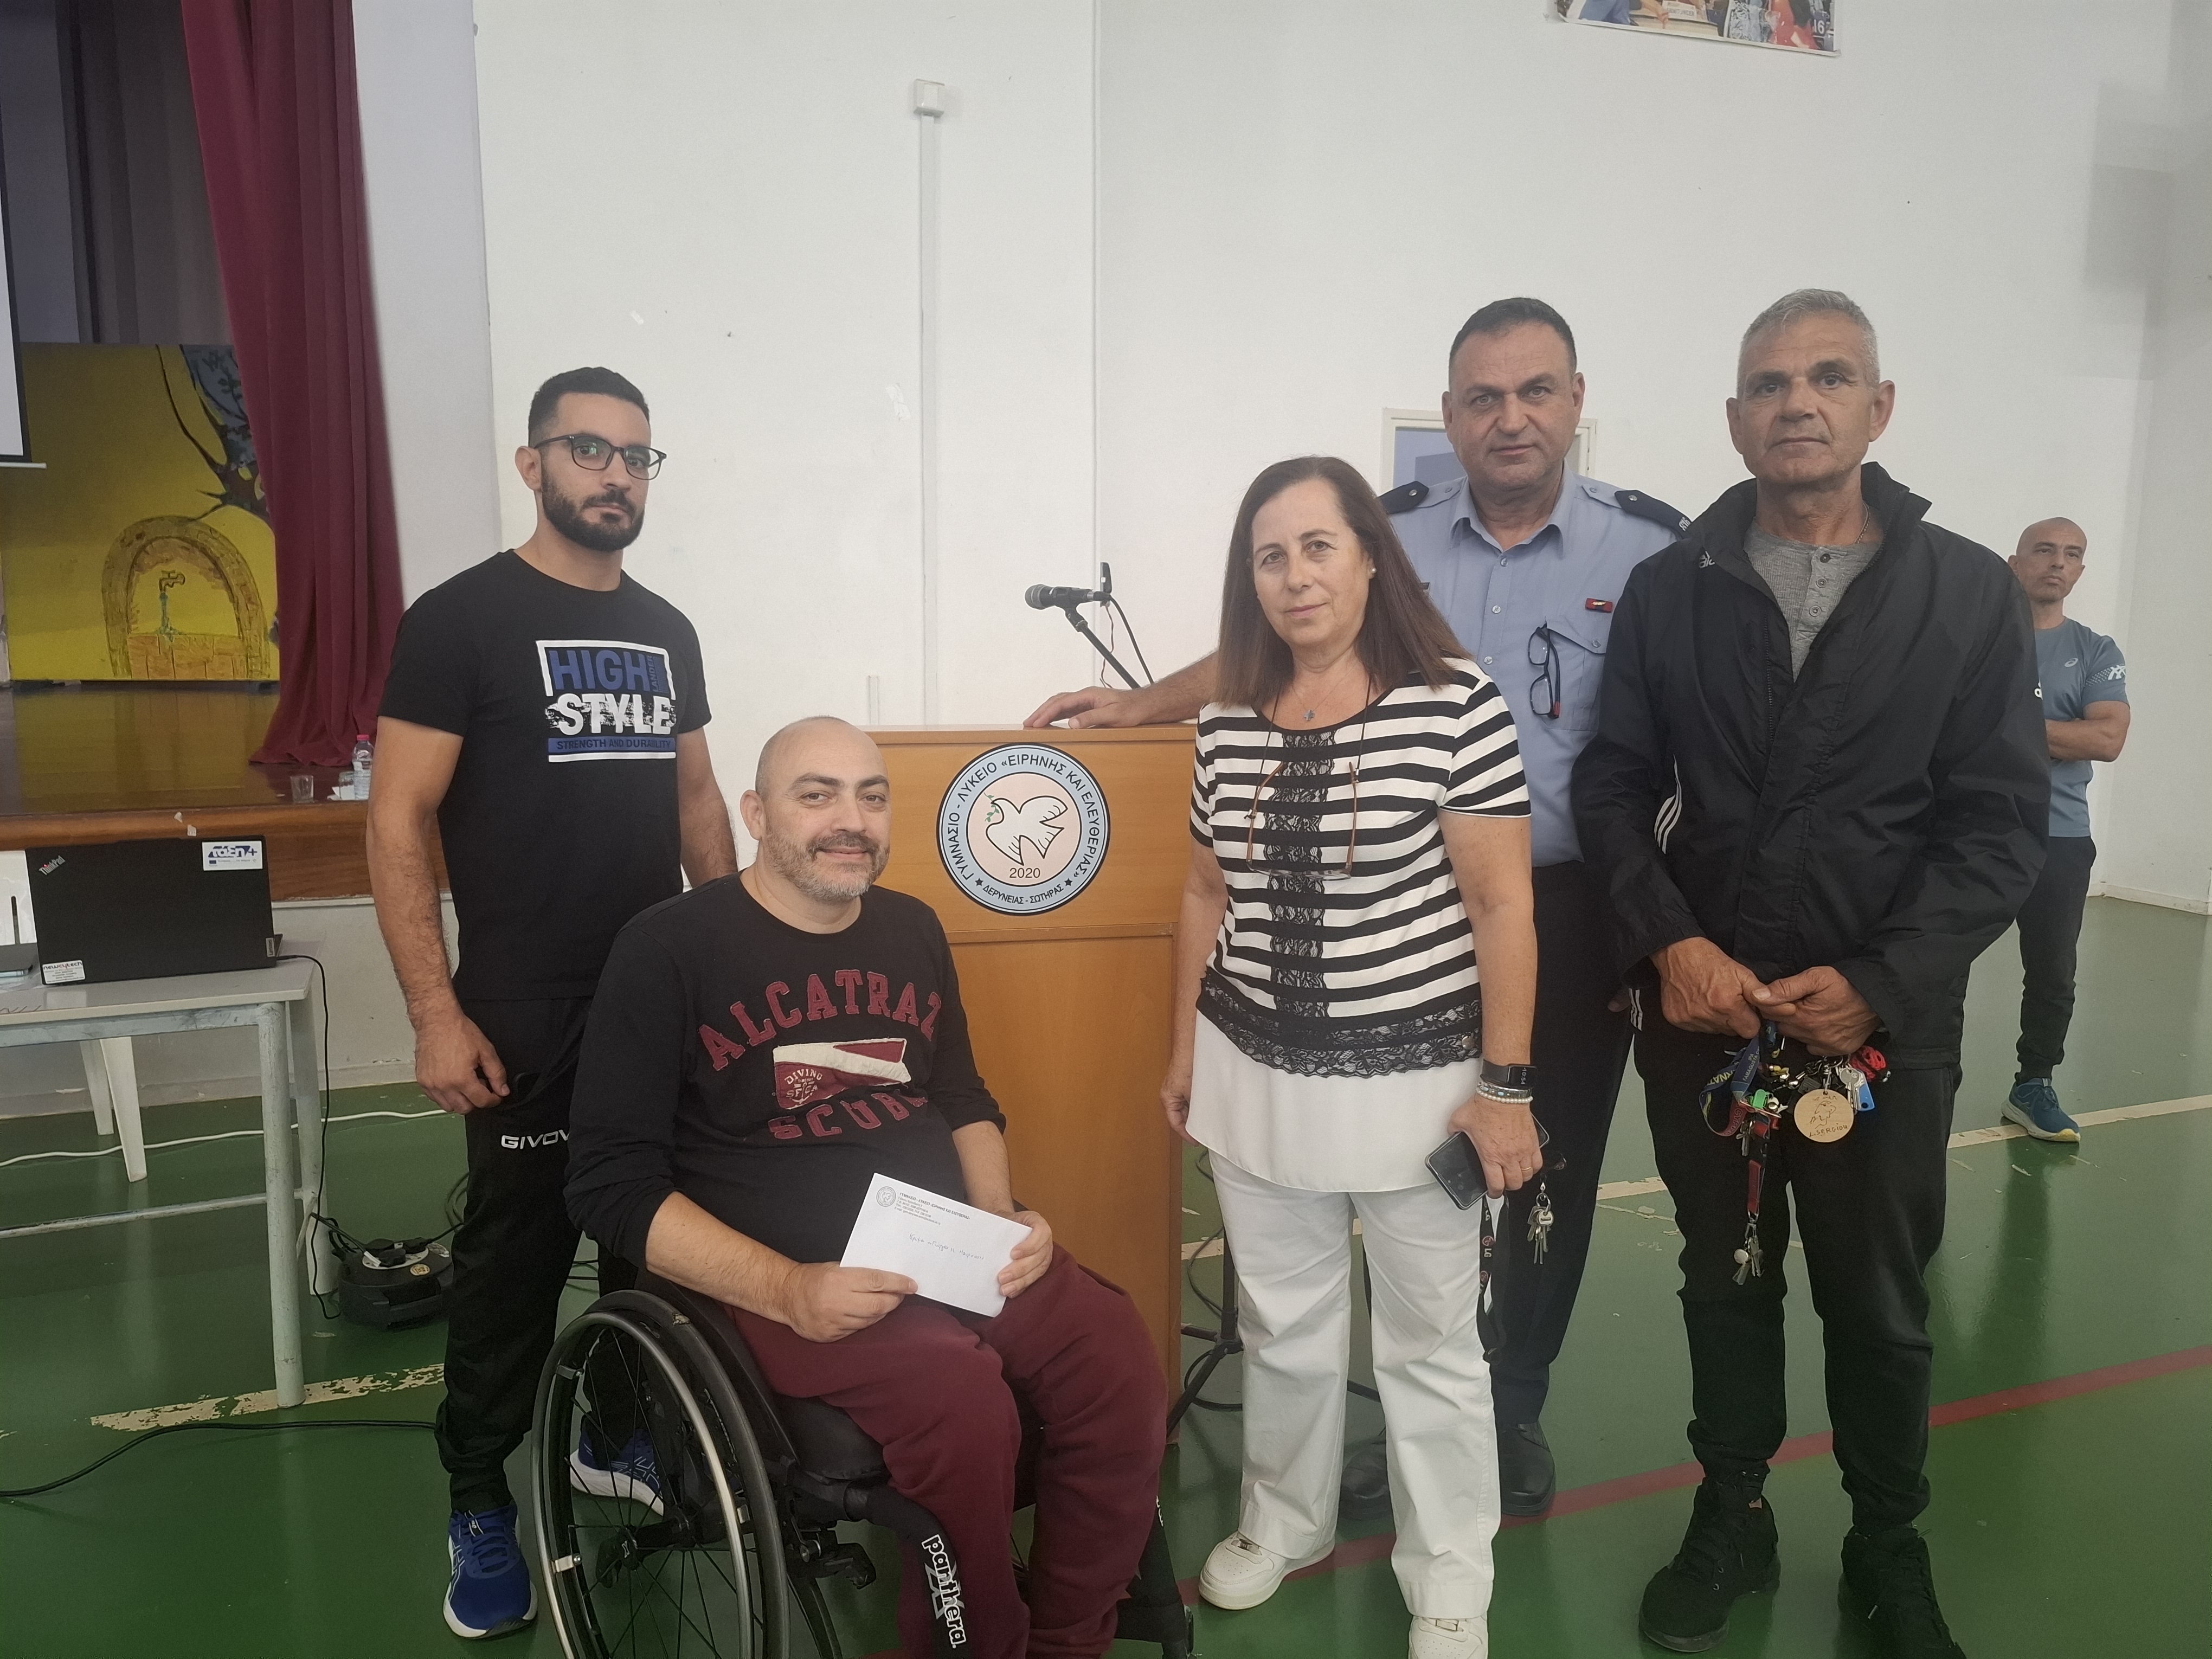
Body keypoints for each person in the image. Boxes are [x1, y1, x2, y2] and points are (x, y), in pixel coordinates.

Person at [1028, 298, 1687, 1519]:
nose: (1510, 418)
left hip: (1562, 901)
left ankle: (1511, 1408)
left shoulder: (1649, 553)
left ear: (1575, 402)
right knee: (1398, 1195)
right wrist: (1149, 705)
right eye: (1483, 398)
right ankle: (1368, 1441)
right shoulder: (1390, 531)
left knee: (1539, 1164)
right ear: (1450, 416)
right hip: (1393, 900)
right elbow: (1277, 646)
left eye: (1535, 392)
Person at [1573, 290, 2047, 1659]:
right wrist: (1669, 943)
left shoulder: (1963, 594)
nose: (1797, 402)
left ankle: (1886, 1543)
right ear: (1734, 420)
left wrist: (1882, 980)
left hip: (1881, 1033)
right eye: (1769, 383)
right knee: (1723, 1278)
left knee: (1878, 1302)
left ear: (1876, 409)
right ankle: (1732, 1512)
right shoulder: (1673, 588)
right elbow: (1612, 785)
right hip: (1703, 1018)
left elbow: (1997, 826)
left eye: (1828, 377)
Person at [563, 717, 1167, 1659]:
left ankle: (1068, 1639)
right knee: (961, 1402)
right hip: (779, 1274)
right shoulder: (668, 948)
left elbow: (962, 1097)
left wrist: (1001, 1218)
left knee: (1114, 1351)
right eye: (817, 795)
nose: (851, 820)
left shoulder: (911, 928)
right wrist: (786, 1290)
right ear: (757, 814)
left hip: (939, 1240)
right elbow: (609, 1185)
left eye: (871, 797)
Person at [366, 366, 737, 1639]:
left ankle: (615, 1430)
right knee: (515, 1263)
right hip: (523, 1005)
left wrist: (731, 960)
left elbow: (697, 801)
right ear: (532, 465)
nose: (614, 475)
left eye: (636, 456)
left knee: (653, 1238)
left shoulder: (668, 629)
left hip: (657, 994)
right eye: (588, 449)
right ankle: (479, 1497)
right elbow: (398, 819)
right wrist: (435, 1010)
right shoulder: (458, 621)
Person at [1168, 455, 1538, 1659]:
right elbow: (1205, 890)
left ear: (1372, 558)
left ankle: (1450, 1573)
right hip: (1252, 1071)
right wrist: (1186, 1047)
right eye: (1269, 556)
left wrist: (1506, 1090)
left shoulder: (1455, 703)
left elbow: (1502, 908)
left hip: (1417, 1088)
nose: (1295, 577)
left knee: (1431, 1343)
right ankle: (1286, 1522)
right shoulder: (1226, 720)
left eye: (1318, 547)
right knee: (1282, 1321)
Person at [2003, 517, 2129, 1142]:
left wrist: (2004, 728)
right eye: (2045, 550)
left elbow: (2106, 738)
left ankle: (2034, 1085)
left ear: (2080, 571)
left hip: (2061, 835)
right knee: (1927, 961)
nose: (2058, 562)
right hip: (1969, 831)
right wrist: (2056, 734)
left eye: (2072, 554)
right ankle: (1909, 1083)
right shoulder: (1975, 640)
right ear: (2015, 562)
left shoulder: (2097, 650)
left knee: (2053, 972)